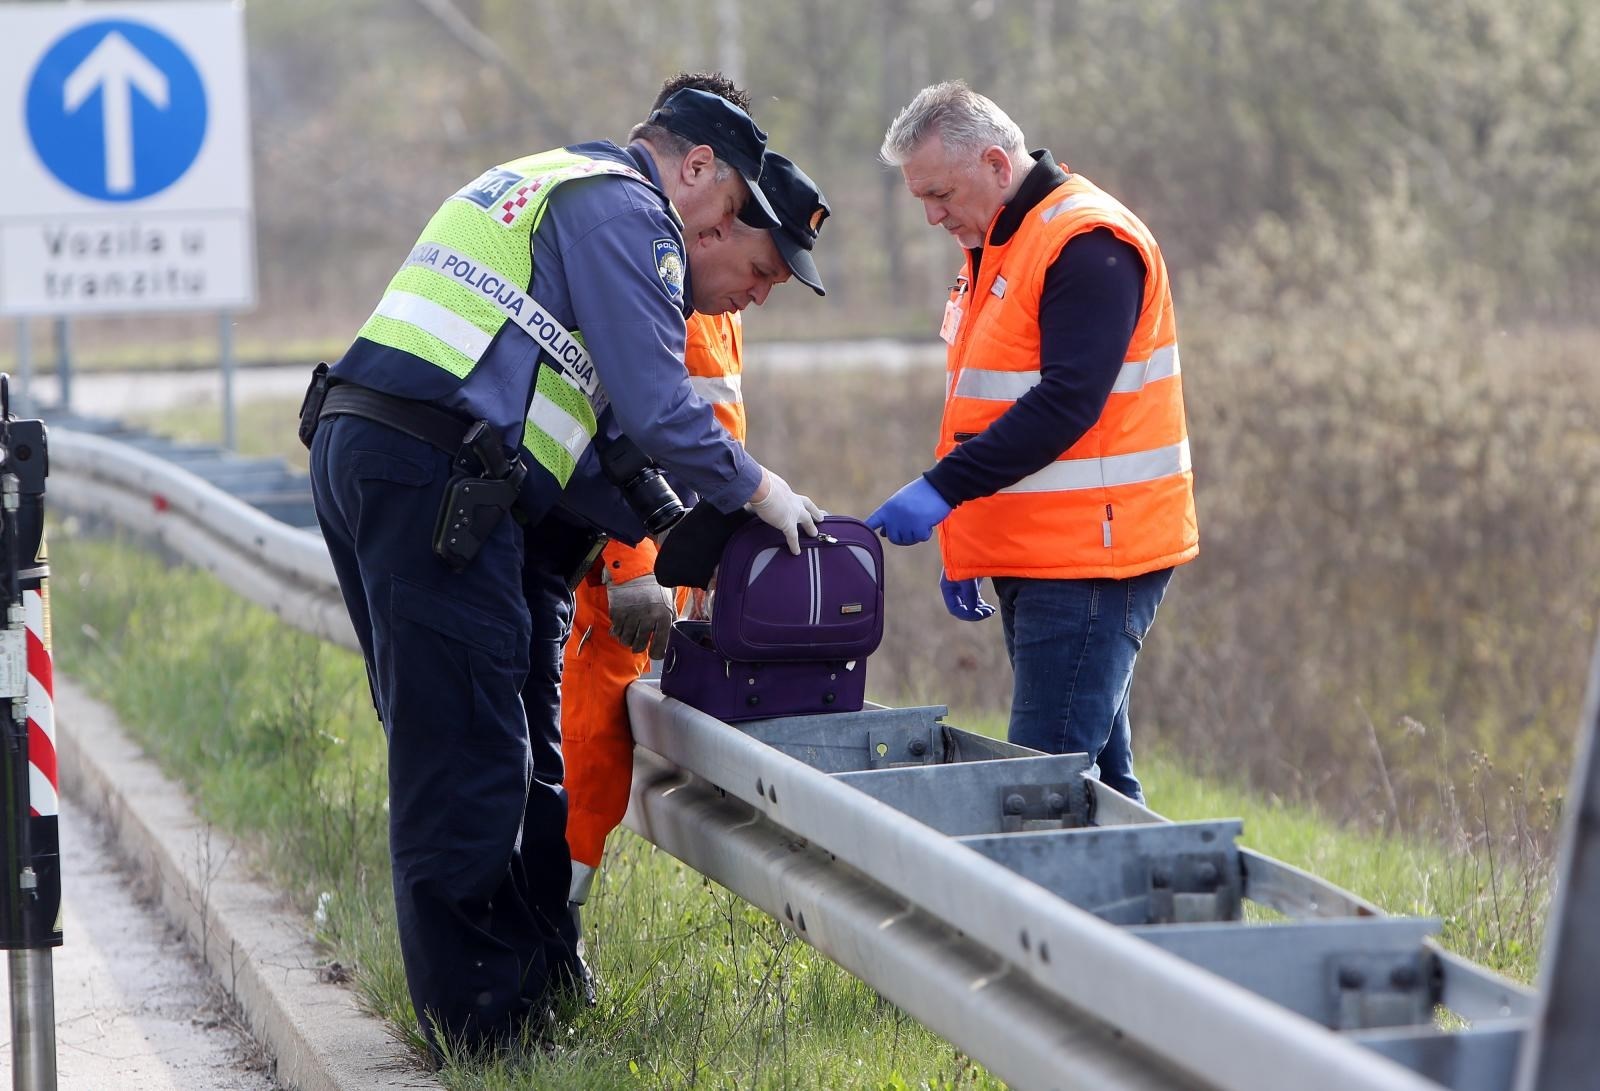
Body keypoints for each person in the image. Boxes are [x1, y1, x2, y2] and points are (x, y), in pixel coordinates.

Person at [304, 87, 824, 1056]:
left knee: (518, 744)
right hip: (434, 472)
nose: (755, 294)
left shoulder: (559, 205)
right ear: (701, 174)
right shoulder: (628, 208)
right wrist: (761, 495)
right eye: (758, 268)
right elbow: (664, 412)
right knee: (468, 757)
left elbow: (610, 452)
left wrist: (688, 542)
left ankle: (541, 987)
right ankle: (483, 1035)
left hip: (430, 469)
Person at [866, 81, 1197, 804]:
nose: (931, 216)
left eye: (940, 194)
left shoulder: (1086, 244)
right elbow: (989, 405)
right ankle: (1144, 919)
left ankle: (1053, 920)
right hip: (1046, 554)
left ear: (993, 161)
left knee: (1040, 791)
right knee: (1100, 786)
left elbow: (1066, 404)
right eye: (920, 199)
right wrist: (969, 537)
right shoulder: (998, 241)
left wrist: (944, 488)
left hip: (1090, 561)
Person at [562, 111, 830, 921]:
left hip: (674, 552)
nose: (760, 291)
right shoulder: (654, 275)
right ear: (717, 224)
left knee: (615, 731)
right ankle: (555, 912)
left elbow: (708, 441)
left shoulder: (717, 305)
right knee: (592, 731)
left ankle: (558, 909)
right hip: (630, 562)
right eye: (761, 268)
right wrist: (629, 561)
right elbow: (623, 422)